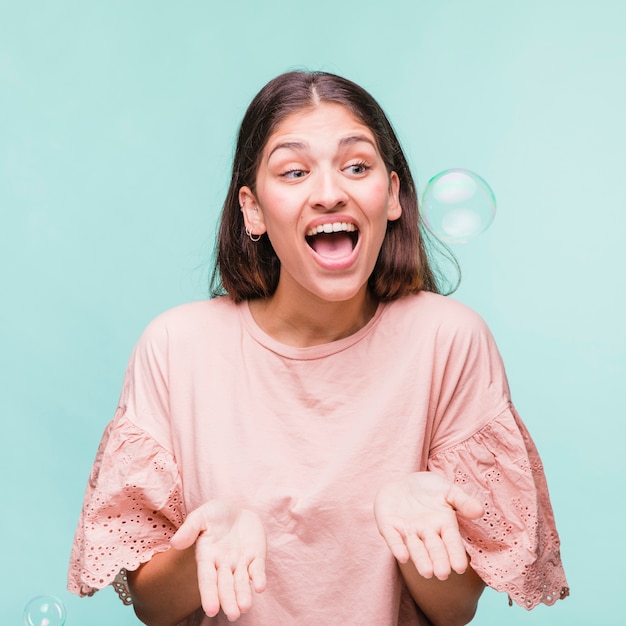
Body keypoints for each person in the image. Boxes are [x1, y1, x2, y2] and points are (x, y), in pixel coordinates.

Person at [68, 70, 569, 625]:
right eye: (294, 171)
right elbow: (153, 606)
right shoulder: (174, 346)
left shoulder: (448, 339)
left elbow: (453, 612)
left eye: (357, 167)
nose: (330, 192)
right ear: (252, 210)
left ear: (394, 196)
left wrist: (414, 524)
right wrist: (201, 546)